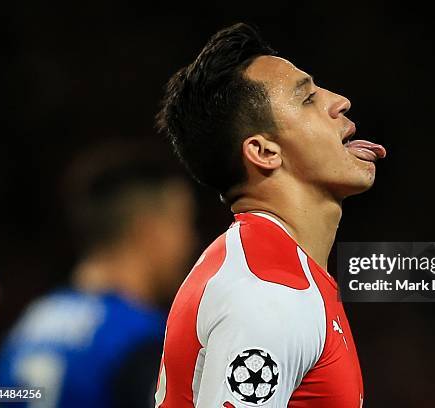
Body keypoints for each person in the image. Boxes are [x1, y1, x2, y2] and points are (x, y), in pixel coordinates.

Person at [154, 23, 386, 407]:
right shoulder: (268, 292)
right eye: (308, 99)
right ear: (263, 152)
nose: (339, 101)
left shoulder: (276, 268)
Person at [0, 140, 197, 408]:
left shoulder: (30, 324)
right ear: (149, 231)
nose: (191, 241)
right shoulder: (137, 339)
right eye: (183, 223)